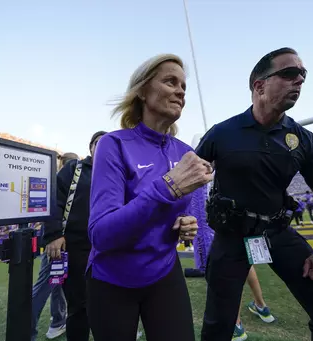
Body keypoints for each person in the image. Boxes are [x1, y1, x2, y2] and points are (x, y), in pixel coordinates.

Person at [196, 47, 313, 341]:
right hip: (230, 237)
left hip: (277, 232)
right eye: (288, 73)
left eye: (302, 75)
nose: (298, 80)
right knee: (217, 328)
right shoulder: (221, 134)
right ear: (259, 85)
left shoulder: (305, 141)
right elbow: (190, 182)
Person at [87, 54, 212, 341]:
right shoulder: (113, 144)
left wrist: (184, 223)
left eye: (183, 86)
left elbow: (172, 213)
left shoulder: (184, 153)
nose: (180, 91)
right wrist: (167, 188)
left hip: (164, 272)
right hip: (112, 278)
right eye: (170, 81)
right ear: (142, 91)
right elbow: (101, 235)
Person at [43, 133, 106, 341]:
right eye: (100, 143)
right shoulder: (74, 169)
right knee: (78, 305)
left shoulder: (118, 173)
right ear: (91, 148)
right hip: (77, 246)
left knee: (109, 303)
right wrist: (54, 234)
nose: (106, 147)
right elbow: (53, 199)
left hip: (110, 248)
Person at [30, 153, 78, 341]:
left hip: (65, 241)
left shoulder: (65, 181)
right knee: (44, 287)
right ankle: (26, 331)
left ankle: (58, 322)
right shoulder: (64, 180)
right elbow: (52, 209)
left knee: (57, 284)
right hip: (58, 242)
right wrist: (55, 235)